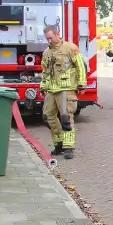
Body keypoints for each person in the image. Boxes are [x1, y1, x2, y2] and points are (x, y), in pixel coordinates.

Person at [41, 25, 87, 159]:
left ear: (57, 34)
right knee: (48, 116)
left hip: (66, 89)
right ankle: (58, 143)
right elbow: (45, 72)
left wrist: (82, 83)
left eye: (50, 38)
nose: (49, 41)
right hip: (52, 89)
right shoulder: (46, 53)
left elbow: (80, 66)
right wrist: (43, 86)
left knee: (66, 118)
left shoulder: (70, 48)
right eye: (47, 39)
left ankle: (69, 147)